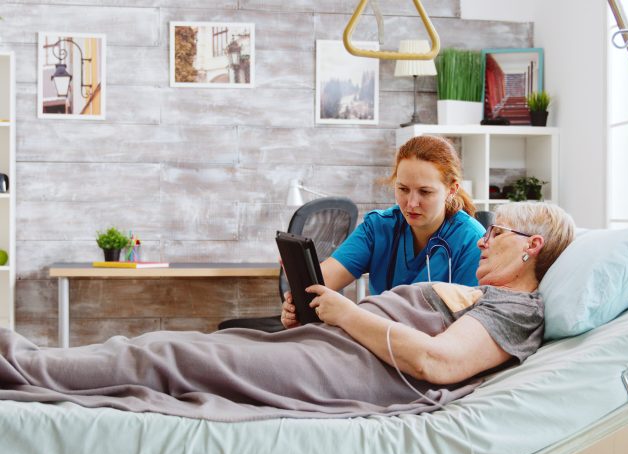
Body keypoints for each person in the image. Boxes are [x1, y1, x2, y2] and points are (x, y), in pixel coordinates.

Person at [0, 203, 574, 421]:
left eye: (496, 231)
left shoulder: (516, 307)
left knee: (166, 356)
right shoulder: (483, 293)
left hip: (350, 369)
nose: (481, 239)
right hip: (331, 349)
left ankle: (15, 363)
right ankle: (19, 359)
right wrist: (326, 314)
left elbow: (437, 362)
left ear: (530, 246)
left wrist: (345, 316)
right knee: (164, 348)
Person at [282, 135, 486, 328]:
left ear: (451, 189)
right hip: (375, 342)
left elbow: (465, 329)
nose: (411, 203)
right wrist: (298, 304)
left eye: (425, 192)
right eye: (403, 189)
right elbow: (321, 283)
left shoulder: (472, 240)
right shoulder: (379, 227)